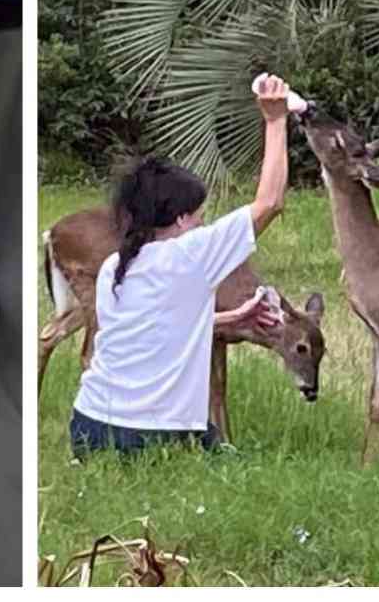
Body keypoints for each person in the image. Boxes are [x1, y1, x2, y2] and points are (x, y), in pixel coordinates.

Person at [70, 75, 291, 456]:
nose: (204, 224)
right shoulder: (192, 254)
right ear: (182, 219)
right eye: (200, 216)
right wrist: (275, 120)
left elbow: (149, 333)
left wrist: (233, 318)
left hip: (89, 426)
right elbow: (269, 201)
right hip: (150, 436)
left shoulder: (114, 267)